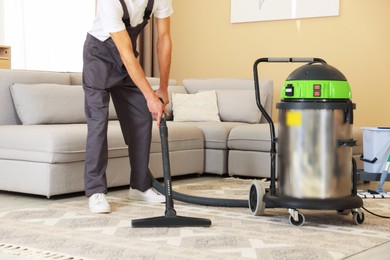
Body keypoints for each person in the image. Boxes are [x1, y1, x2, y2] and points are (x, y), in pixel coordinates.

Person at [82, 0, 173, 213]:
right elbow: (125, 53)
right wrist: (150, 96)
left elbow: (164, 38)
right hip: (99, 58)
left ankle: (139, 186)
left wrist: (163, 87)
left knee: (141, 117)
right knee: (98, 123)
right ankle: (96, 191)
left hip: (126, 59)